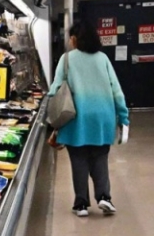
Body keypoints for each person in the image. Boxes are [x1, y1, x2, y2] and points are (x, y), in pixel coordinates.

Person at [48, 20, 129, 217]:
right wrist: (123, 117)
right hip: (103, 117)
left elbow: (55, 90)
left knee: (79, 161)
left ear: (75, 39)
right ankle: (104, 197)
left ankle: (81, 204)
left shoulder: (67, 59)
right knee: (100, 158)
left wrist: (50, 113)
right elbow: (117, 91)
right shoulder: (103, 59)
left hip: (76, 117)